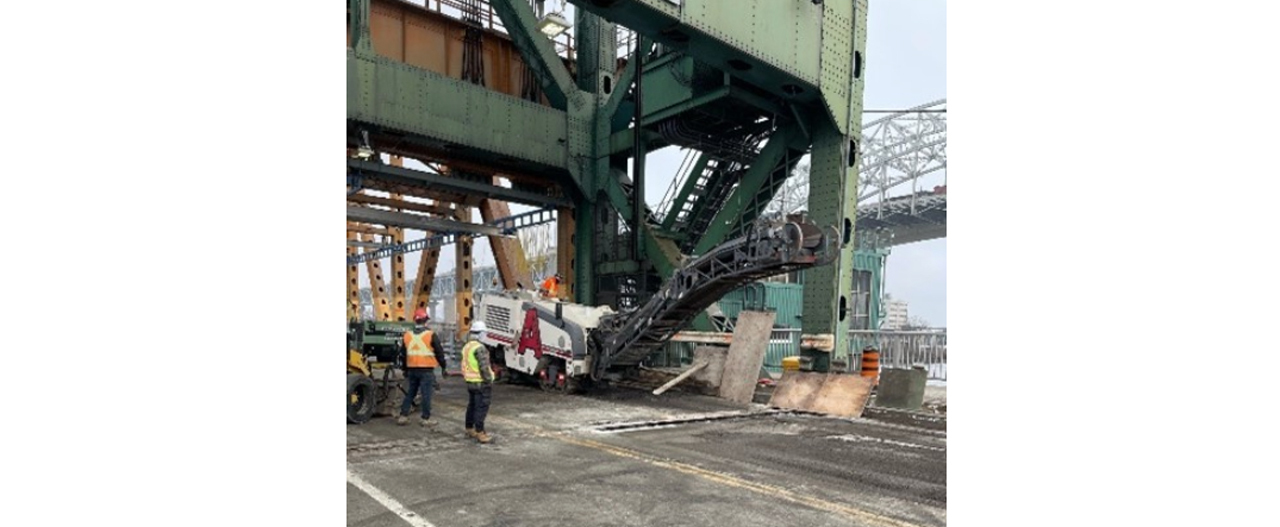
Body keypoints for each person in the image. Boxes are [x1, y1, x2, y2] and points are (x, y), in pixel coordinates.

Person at [398, 307, 445, 427]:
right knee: (426, 394)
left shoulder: (407, 335)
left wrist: (405, 369)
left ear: (415, 320)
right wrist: (444, 367)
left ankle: (403, 416)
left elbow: (403, 354)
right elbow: (439, 352)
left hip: (412, 369)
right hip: (426, 370)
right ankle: (425, 418)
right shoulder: (430, 334)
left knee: (411, 392)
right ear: (426, 321)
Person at [461, 321, 495, 444]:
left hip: (470, 382)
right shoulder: (480, 348)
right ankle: (480, 432)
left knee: (472, 406)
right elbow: (484, 367)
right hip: (481, 383)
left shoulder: (467, 347)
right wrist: (489, 380)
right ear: (480, 334)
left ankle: (469, 428)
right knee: (481, 408)